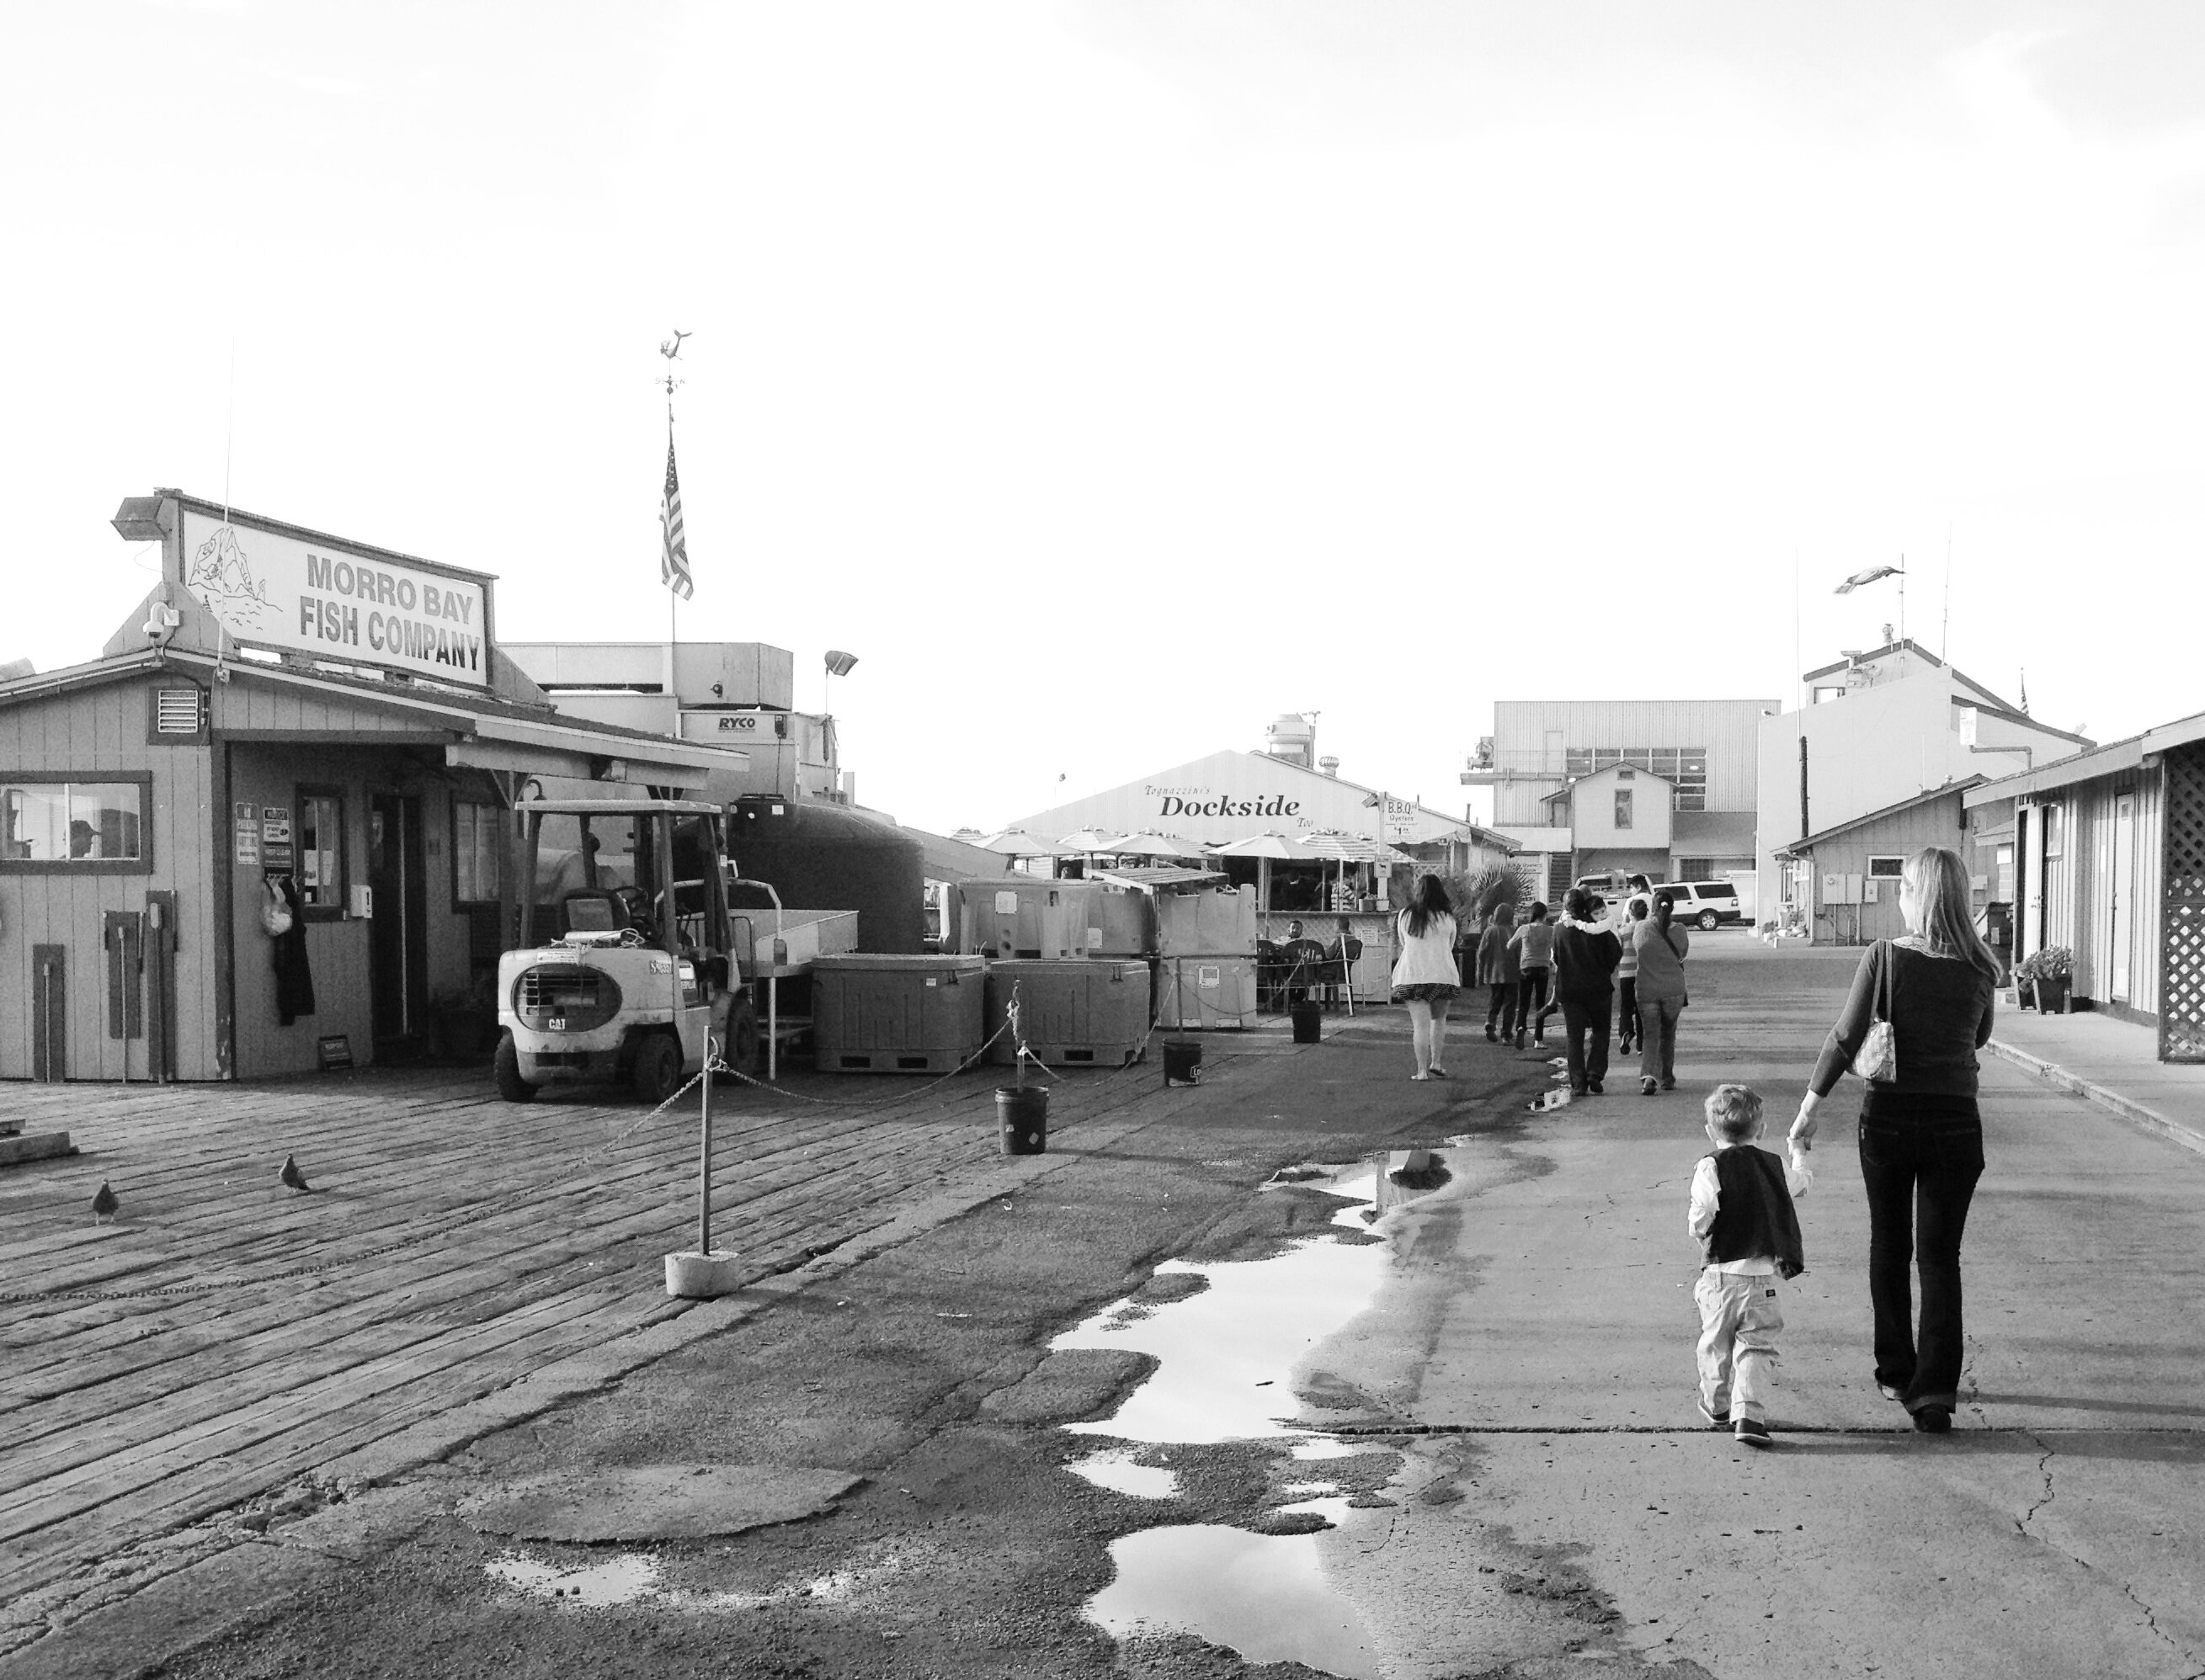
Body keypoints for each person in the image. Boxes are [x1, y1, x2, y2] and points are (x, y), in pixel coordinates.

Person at [1788, 846, 2000, 1435]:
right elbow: (1977, 1037)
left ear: (1916, 894)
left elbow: (1845, 1036)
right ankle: (1934, 1392)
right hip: (1956, 1122)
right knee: (1939, 1258)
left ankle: (1894, 1369)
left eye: (1902, 887)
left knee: (1889, 1244)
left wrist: (1808, 1111)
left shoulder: (1883, 957)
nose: (1898, 897)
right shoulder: (1981, 966)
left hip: (1887, 1118)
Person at [1690, 1083, 1809, 1449]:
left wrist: (1700, 1230)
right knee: (1756, 1348)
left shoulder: (1710, 1165)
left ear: (1711, 1132)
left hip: (1720, 1278)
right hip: (1762, 1281)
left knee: (1714, 1345)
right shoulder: (1773, 1165)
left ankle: (1717, 1405)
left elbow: (1701, 1213)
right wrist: (1798, 1151)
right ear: (1761, 1130)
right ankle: (1749, 1413)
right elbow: (1801, 1184)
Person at [1389, 873, 1460, 1081]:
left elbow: (1404, 943)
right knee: (1438, 1020)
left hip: (1412, 975)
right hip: (1442, 974)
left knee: (1420, 1025)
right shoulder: (1448, 918)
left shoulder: (1405, 915)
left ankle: (1421, 1071)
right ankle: (1436, 1063)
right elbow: (1450, 945)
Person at [1552, 888, 1622, 1094]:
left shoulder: (1558, 930)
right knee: (1601, 1031)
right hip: (1599, 988)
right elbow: (1615, 953)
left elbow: (1556, 959)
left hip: (1570, 990)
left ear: (1566, 907)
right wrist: (1604, 971)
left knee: (1574, 1037)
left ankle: (1579, 1083)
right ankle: (1595, 1073)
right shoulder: (1596, 928)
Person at [1633, 895, 1691, 1094]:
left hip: (1647, 989)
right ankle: (1667, 1077)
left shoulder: (1641, 928)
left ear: (1652, 907)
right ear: (1672, 908)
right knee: (1668, 1034)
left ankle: (1649, 1076)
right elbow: (1683, 954)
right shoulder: (1681, 930)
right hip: (1673, 990)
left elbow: (1637, 950)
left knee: (1651, 1035)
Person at [1507, 901, 1556, 1050]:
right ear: (1544, 915)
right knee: (1540, 1003)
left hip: (1526, 968)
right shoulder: (1550, 930)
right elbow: (1554, 947)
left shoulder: (1524, 929)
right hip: (1542, 967)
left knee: (1524, 1002)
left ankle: (1521, 1027)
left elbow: (1509, 945)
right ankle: (1538, 1040)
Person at [1478, 901, 1521, 1044]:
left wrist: (1480, 970)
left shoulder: (1489, 931)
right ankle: (1506, 1034)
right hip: (1511, 973)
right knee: (1510, 1004)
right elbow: (1519, 952)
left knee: (1495, 999)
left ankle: (1490, 1021)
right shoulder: (1514, 931)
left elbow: (1481, 953)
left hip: (1493, 973)